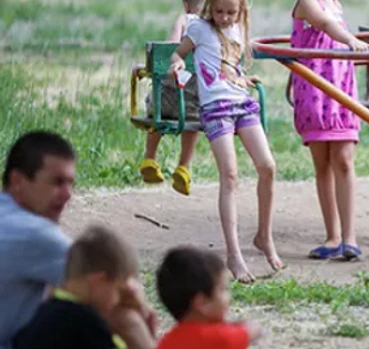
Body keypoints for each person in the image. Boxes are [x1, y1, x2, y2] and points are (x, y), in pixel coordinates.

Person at [169, 0, 284, 283]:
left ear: (241, 10)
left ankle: (264, 236)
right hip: (216, 109)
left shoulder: (238, 30)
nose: (224, 18)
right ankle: (234, 254)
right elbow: (179, 53)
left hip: (242, 104)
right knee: (229, 175)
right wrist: (178, 63)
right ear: (210, 7)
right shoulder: (199, 28)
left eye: (231, 12)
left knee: (267, 166)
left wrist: (243, 79)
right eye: (219, 11)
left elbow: (228, 68)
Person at [1, 131, 158, 349]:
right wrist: (143, 314)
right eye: (57, 182)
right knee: (104, 310)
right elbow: (111, 275)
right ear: (17, 180)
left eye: (70, 183)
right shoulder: (32, 233)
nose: (68, 195)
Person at [289, 0, 369, 261]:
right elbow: (324, 25)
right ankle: (332, 235)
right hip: (316, 92)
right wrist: (351, 40)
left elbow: (332, 23)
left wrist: (353, 41)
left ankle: (349, 237)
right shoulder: (308, 3)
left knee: (344, 159)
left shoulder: (335, 5)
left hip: (341, 91)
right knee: (322, 163)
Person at [12, 225, 150, 349]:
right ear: (99, 281)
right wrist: (135, 325)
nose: (118, 302)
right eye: (119, 292)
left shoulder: (39, 312)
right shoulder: (86, 324)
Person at [140, 0, 215, 196]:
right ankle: (183, 166)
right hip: (192, 106)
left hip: (163, 102)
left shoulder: (184, 20)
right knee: (191, 121)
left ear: (186, 4)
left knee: (156, 106)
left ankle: (150, 157)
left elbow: (169, 52)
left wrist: (144, 67)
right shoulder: (213, 28)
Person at [155, 245, 263, 349]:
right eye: (223, 289)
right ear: (202, 303)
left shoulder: (168, 340)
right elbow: (252, 330)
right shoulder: (217, 337)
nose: (229, 296)